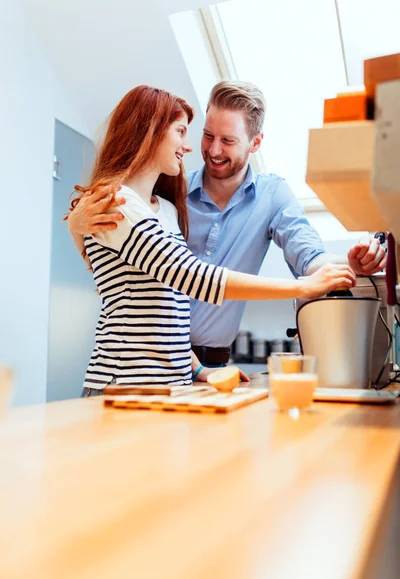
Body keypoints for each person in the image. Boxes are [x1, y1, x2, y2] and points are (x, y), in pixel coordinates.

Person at [68, 84, 358, 391]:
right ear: (151, 133)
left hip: (171, 384)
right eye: (182, 132)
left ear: (255, 142)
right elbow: (192, 277)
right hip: (124, 385)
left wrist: (197, 370)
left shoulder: (165, 208)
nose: (192, 146)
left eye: (227, 140)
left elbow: (167, 308)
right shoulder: (120, 204)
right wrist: (303, 286)